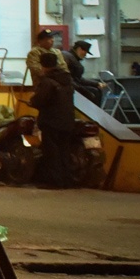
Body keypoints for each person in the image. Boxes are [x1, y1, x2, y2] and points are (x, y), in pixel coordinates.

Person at [28, 52, 80, 188]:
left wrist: (32, 101)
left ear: (43, 65)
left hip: (51, 121)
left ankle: (55, 182)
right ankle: (67, 180)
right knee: (64, 151)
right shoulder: (67, 79)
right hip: (68, 120)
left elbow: (39, 100)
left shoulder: (47, 81)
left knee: (52, 153)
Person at [65, 39, 106, 104]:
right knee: (95, 92)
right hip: (72, 87)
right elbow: (70, 79)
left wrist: (96, 84)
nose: (85, 55)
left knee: (96, 91)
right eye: (85, 52)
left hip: (74, 86)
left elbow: (78, 78)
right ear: (79, 49)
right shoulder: (70, 58)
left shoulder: (72, 58)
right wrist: (84, 91)